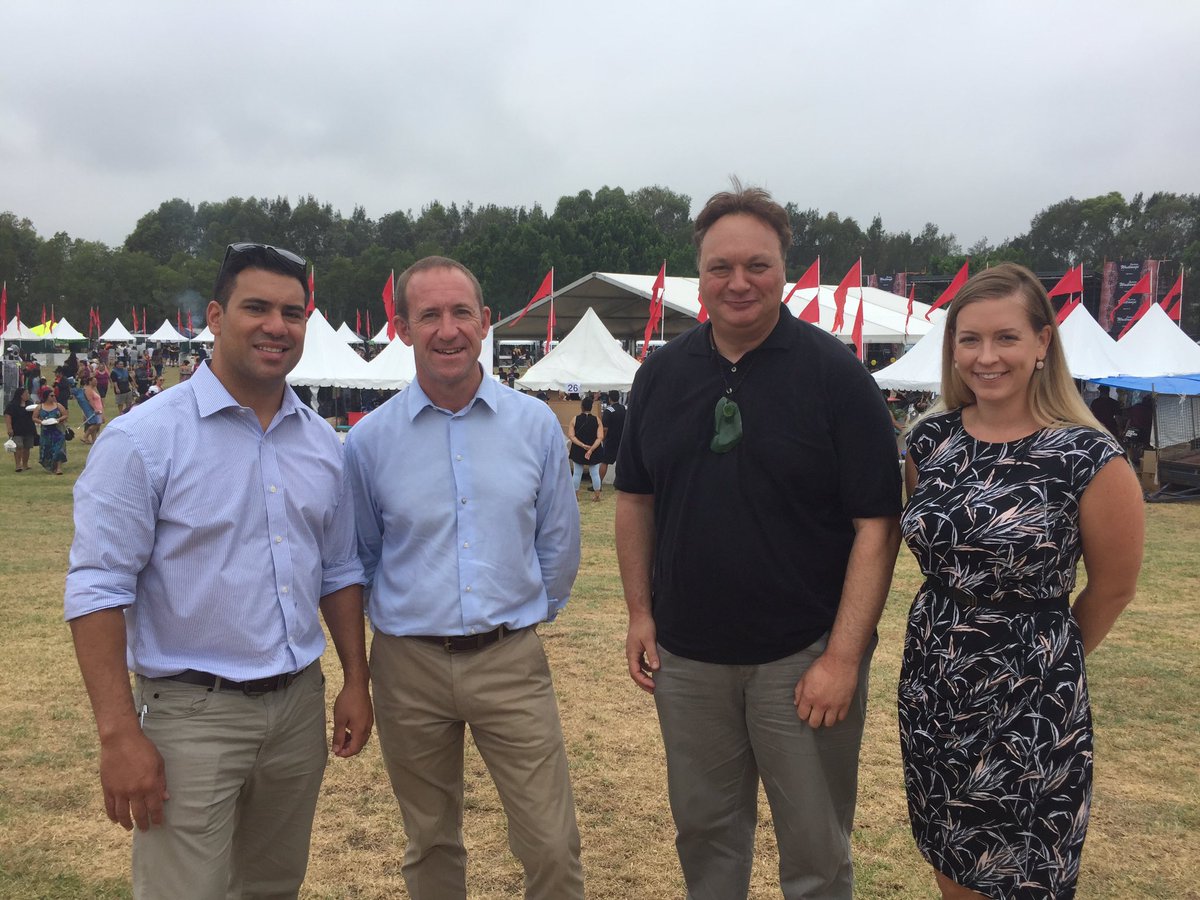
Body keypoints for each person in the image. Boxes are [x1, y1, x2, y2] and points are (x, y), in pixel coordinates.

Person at [615, 182, 902, 900]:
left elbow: (877, 525)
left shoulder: (838, 379)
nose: (738, 282)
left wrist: (842, 657)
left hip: (801, 658)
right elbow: (635, 500)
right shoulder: (660, 376)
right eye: (721, 267)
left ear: (784, 271)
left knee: (816, 853)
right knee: (706, 839)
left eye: (757, 265)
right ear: (700, 277)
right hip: (688, 658)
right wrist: (640, 613)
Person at [64, 241, 373, 900]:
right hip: (190, 716)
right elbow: (97, 587)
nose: (276, 326)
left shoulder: (321, 443)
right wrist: (118, 735)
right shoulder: (144, 440)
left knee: (272, 886)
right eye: (256, 307)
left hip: (296, 707)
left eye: (292, 313)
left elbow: (339, 568)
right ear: (214, 316)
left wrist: (356, 678)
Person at [898, 263, 1144, 899]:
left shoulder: (1089, 456)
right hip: (933, 685)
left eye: (1005, 337)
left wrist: (1043, 660)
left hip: (1029, 699)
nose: (986, 357)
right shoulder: (930, 442)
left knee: (1022, 875)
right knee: (951, 859)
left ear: (1042, 343)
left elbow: (1114, 587)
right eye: (970, 339)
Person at [344, 256, 584, 900]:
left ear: (485, 322)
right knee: (430, 843)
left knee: (551, 842)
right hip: (408, 667)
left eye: (460, 313)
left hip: (509, 660)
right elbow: (362, 555)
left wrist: (524, 615)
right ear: (402, 328)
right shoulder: (369, 443)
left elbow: (558, 542)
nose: (447, 330)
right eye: (429, 315)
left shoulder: (534, 425)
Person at [568, 395, 604, 501]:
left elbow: (571, 436)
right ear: (591, 407)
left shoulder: (575, 419)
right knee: (595, 473)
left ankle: (575, 496)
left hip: (578, 449)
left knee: (577, 473)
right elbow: (600, 437)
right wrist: (591, 449)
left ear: (581, 407)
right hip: (594, 449)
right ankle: (597, 496)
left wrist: (582, 445)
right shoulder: (597, 420)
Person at [36, 385, 68, 475]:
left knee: (59, 449)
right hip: (46, 432)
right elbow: (34, 417)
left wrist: (59, 419)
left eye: (54, 395)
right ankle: (51, 465)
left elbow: (65, 415)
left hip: (58, 431)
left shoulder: (58, 405)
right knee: (47, 448)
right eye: (52, 395)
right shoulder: (40, 407)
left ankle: (59, 468)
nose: (54, 397)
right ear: (46, 397)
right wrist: (41, 422)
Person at [4, 386, 37, 472]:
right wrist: (9, 428)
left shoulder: (30, 404)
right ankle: (18, 465)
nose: (28, 395)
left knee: (27, 447)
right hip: (17, 429)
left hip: (29, 429)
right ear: (21, 395)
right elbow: (8, 416)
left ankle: (25, 464)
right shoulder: (12, 405)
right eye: (26, 393)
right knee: (18, 447)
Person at [598, 389, 626, 483]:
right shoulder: (624, 408)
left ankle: (598, 483)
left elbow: (605, 428)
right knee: (621, 463)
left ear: (609, 399)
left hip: (611, 440)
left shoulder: (608, 411)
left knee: (605, 462)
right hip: (622, 439)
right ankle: (621, 483)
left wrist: (603, 439)